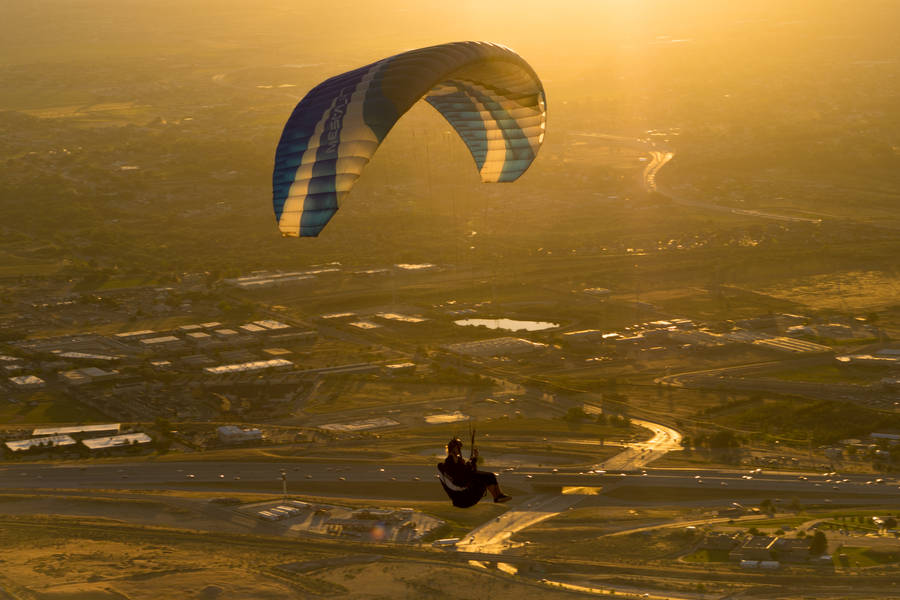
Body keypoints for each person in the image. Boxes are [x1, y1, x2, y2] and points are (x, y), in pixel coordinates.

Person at [437, 437, 511, 508]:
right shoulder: (450, 461)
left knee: (490, 476)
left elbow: (469, 470)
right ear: (453, 448)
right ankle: (497, 497)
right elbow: (461, 475)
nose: (459, 450)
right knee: (488, 476)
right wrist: (471, 462)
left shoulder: (457, 459)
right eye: (458, 448)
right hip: (463, 493)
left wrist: (473, 460)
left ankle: (498, 495)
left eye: (460, 448)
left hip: (465, 484)